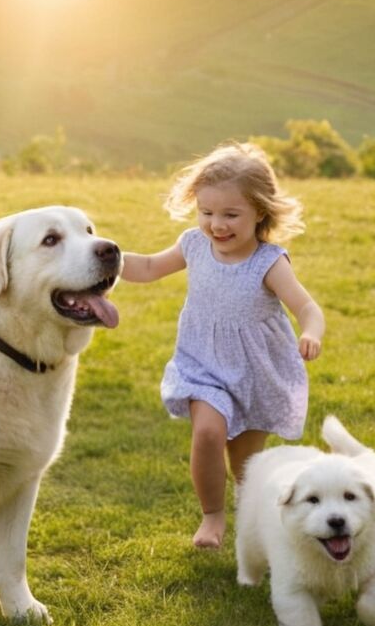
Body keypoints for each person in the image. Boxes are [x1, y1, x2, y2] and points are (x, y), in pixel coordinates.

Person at [120, 142, 326, 549]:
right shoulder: (193, 246)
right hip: (203, 366)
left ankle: (252, 516)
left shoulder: (268, 262)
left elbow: (306, 307)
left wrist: (311, 333)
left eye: (231, 215)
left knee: (246, 467)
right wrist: (103, 257)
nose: (217, 225)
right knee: (209, 434)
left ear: (260, 212)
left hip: (255, 373)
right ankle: (212, 515)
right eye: (207, 212)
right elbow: (148, 267)